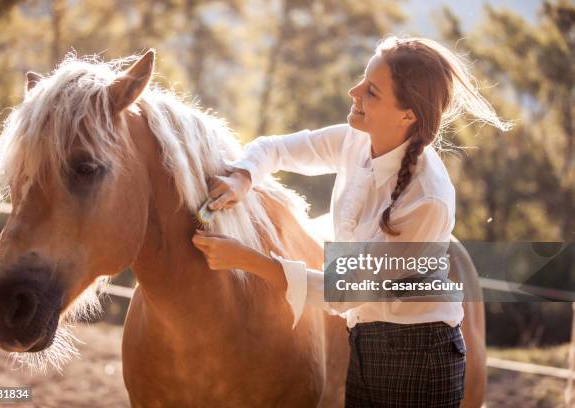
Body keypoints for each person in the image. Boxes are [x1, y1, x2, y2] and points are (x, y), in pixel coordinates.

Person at [192, 35, 511, 407]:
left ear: (407, 115)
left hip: (418, 356)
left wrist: (247, 260)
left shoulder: (428, 200)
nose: (353, 91)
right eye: (363, 79)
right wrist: (242, 177)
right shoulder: (356, 140)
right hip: (363, 341)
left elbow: (343, 291)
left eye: (371, 91)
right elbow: (275, 148)